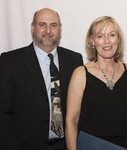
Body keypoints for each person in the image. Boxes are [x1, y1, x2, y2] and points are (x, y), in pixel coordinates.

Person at [0, 8, 83, 150]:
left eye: (53, 25)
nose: (48, 30)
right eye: (42, 24)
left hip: (66, 145)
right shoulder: (10, 61)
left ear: (60, 29)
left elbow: (80, 109)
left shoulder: (75, 60)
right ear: (33, 28)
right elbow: (3, 114)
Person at [65, 16, 127, 150]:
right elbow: (71, 120)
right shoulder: (80, 74)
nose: (107, 41)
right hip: (92, 146)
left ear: (118, 39)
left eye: (112, 35)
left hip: (125, 146)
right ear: (92, 41)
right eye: (100, 36)